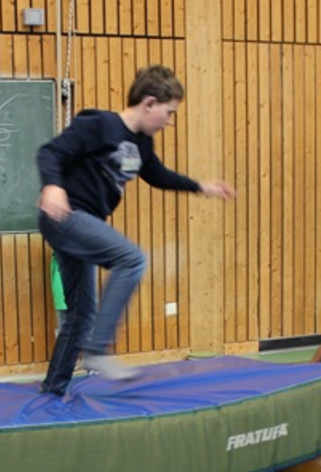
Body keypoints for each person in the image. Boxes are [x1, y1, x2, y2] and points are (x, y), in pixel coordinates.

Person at [37, 65, 235, 394]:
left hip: (84, 224)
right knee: (132, 258)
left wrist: (202, 186)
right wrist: (53, 187)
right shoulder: (99, 125)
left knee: (81, 314)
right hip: (65, 214)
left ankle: (52, 390)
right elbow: (50, 152)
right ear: (149, 103)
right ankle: (99, 351)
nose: (169, 122)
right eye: (169, 113)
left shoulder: (141, 143)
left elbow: (157, 175)